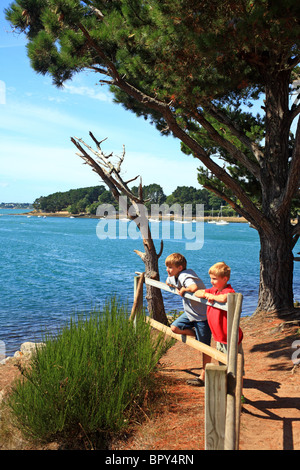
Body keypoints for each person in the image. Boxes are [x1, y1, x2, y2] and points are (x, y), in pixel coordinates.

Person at [165, 253, 211, 386]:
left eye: (170, 267)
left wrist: (184, 289)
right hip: (190, 313)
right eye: (167, 267)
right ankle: (196, 334)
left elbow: (194, 288)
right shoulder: (178, 275)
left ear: (180, 268)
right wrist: (173, 283)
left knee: (204, 347)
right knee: (175, 328)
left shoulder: (186, 275)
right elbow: (169, 281)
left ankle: (204, 376)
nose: (167, 270)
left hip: (202, 316)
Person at [194, 261, 244, 375]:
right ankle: (227, 389)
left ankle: (238, 391)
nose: (211, 281)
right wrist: (207, 294)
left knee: (234, 367)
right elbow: (197, 292)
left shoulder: (228, 291)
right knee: (223, 364)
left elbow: (224, 298)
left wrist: (212, 297)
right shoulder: (214, 290)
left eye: (214, 279)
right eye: (211, 278)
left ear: (225, 279)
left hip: (230, 337)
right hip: (219, 337)